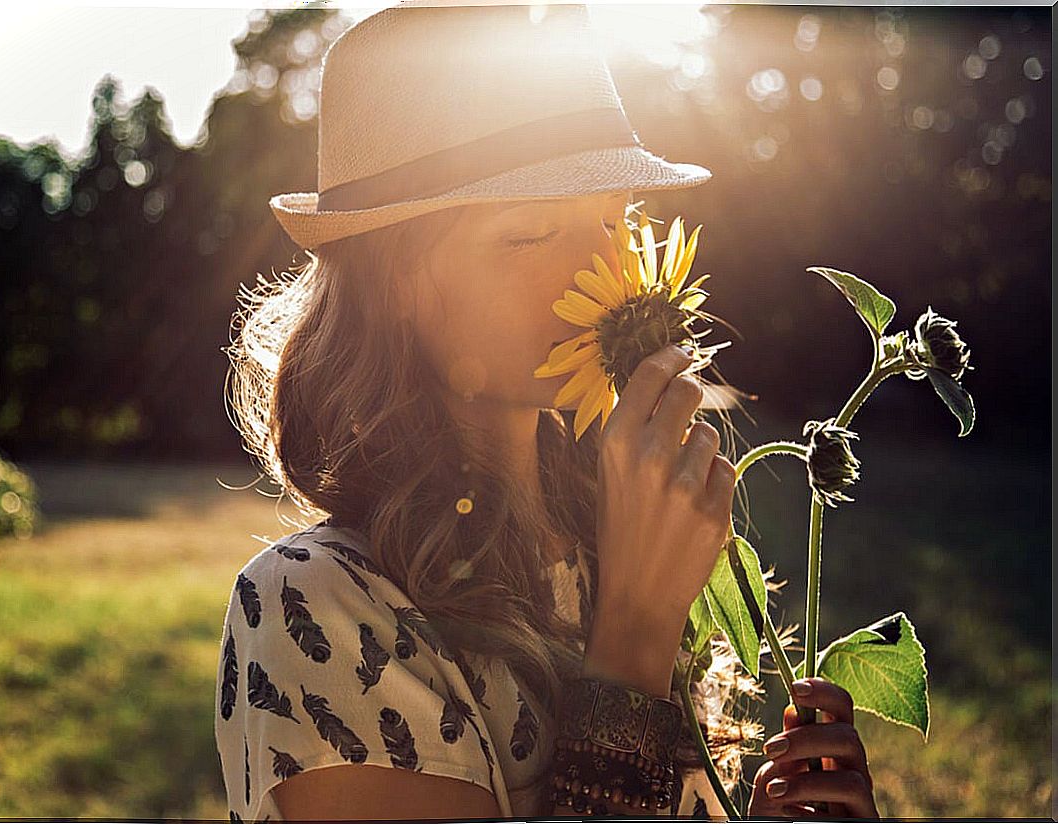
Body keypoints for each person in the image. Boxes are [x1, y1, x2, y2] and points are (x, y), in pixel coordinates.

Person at [215, 2, 881, 820]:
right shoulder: (316, 607)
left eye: (614, 220)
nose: (605, 269)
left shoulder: (601, 549)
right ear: (394, 282)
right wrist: (637, 630)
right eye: (531, 235)